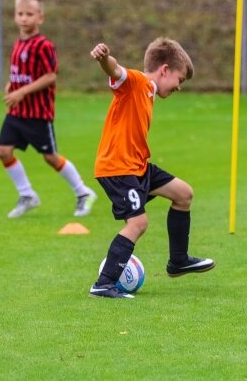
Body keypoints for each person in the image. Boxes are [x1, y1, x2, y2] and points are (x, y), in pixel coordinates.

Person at [88, 39, 215, 299]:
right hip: (118, 167)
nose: (179, 87)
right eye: (180, 79)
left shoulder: (148, 91)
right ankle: (103, 284)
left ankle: (178, 261)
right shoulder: (137, 82)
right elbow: (116, 70)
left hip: (138, 165)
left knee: (183, 194)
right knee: (138, 222)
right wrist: (103, 58)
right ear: (165, 69)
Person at [0, 0, 97, 219]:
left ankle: (83, 192)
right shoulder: (18, 44)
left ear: (40, 18)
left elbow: (50, 76)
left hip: (38, 114)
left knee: (50, 157)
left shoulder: (44, 46)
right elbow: (21, 73)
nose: (24, 18)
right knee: (3, 151)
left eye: (29, 14)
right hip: (17, 112)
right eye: (20, 13)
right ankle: (27, 195)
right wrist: (11, 86)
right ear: (14, 16)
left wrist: (21, 92)